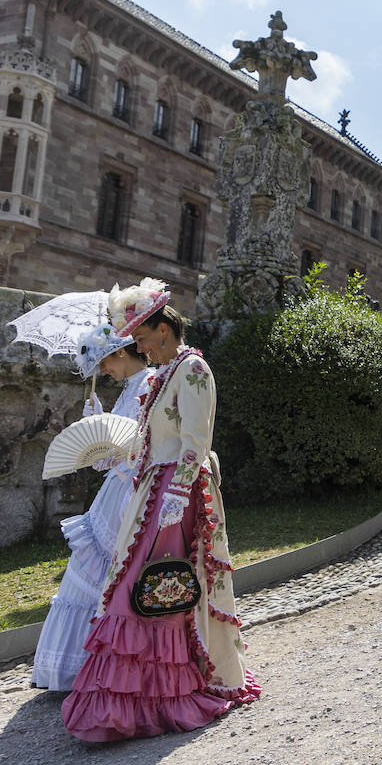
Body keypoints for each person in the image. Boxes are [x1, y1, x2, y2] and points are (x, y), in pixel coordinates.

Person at [62, 279, 258, 741]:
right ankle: (136, 695)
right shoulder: (163, 373)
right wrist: (117, 456)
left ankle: (164, 693)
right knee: (140, 582)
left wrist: (176, 497)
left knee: (158, 584)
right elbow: (154, 440)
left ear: (164, 330)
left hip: (177, 493)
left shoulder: (192, 370)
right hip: (155, 487)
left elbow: (194, 440)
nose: (138, 345)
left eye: (142, 337)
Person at [32, 323, 152, 691]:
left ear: (120, 352)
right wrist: (96, 421)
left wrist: (116, 447)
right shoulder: (129, 389)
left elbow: (145, 446)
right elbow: (104, 459)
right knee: (90, 574)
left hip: (132, 494)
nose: (103, 372)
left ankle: (107, 664)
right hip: (114, 492)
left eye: (103, 363)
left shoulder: (150, 384)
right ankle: (77, 665)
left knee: (114, 571)